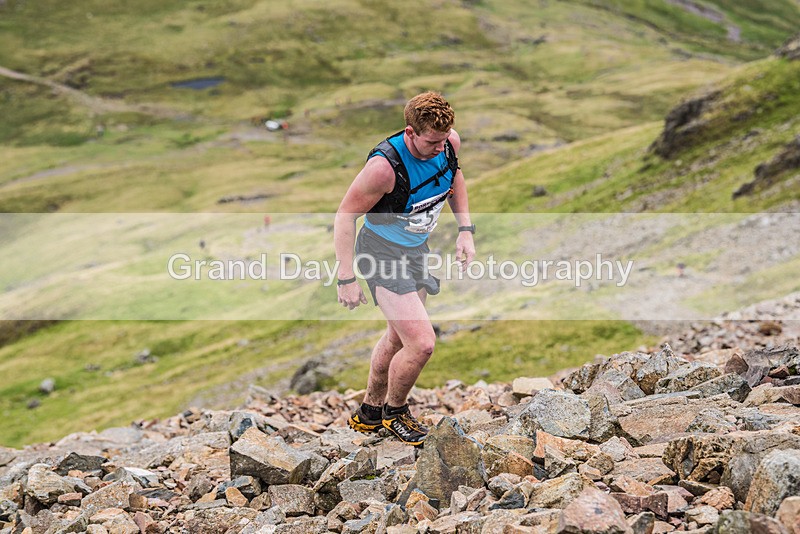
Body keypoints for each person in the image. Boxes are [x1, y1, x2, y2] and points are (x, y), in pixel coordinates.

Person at [333, 92, 476, 445]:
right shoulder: (383, 169)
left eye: (444, 139)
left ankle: (370, 411)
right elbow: (345, 216)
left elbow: (454, 177)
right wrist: (346, 277)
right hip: (380, 253)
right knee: (422, 343)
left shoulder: (448, 144)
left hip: (416, 251)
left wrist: (465, 230)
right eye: (432, 142)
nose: (440, 148)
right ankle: (394, 413)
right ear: (410, 132)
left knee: (398, 337)